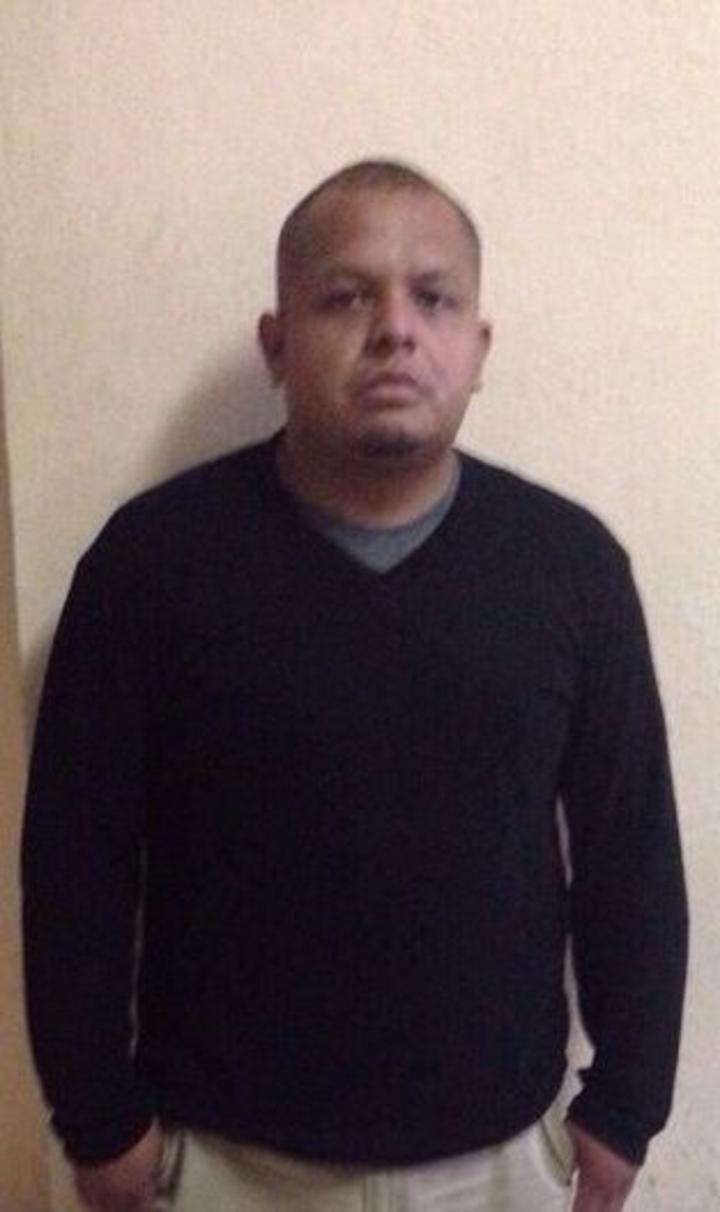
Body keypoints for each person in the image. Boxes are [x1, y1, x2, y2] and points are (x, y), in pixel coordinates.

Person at [22, 160, 687, 1212]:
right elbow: (75, 861)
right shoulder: (150, 565)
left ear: (479, 348)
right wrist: (95, 1119)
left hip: (507, 1166)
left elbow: (632, 857)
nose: (395, 330)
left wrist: (626, 1108)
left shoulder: (570, 570)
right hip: (219, 1166)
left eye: (434, 297)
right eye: (345, 297)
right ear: (276, 343)